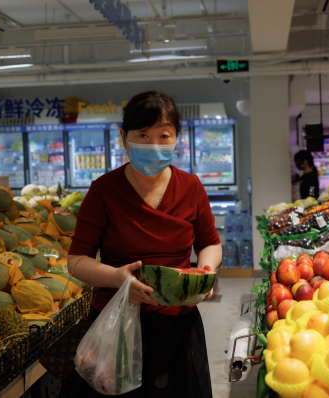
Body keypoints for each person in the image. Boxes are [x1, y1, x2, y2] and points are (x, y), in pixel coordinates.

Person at [64, 91, 222, 398]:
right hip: (118, 328)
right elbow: (77, 260)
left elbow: (210, 244)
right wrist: (117, 278)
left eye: (164, 135)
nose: (153, 144)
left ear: (177, 137)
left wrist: (205, 270)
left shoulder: (191, 187)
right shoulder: (103, 191)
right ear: (124, 138)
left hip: (178, 324)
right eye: (142, 134)